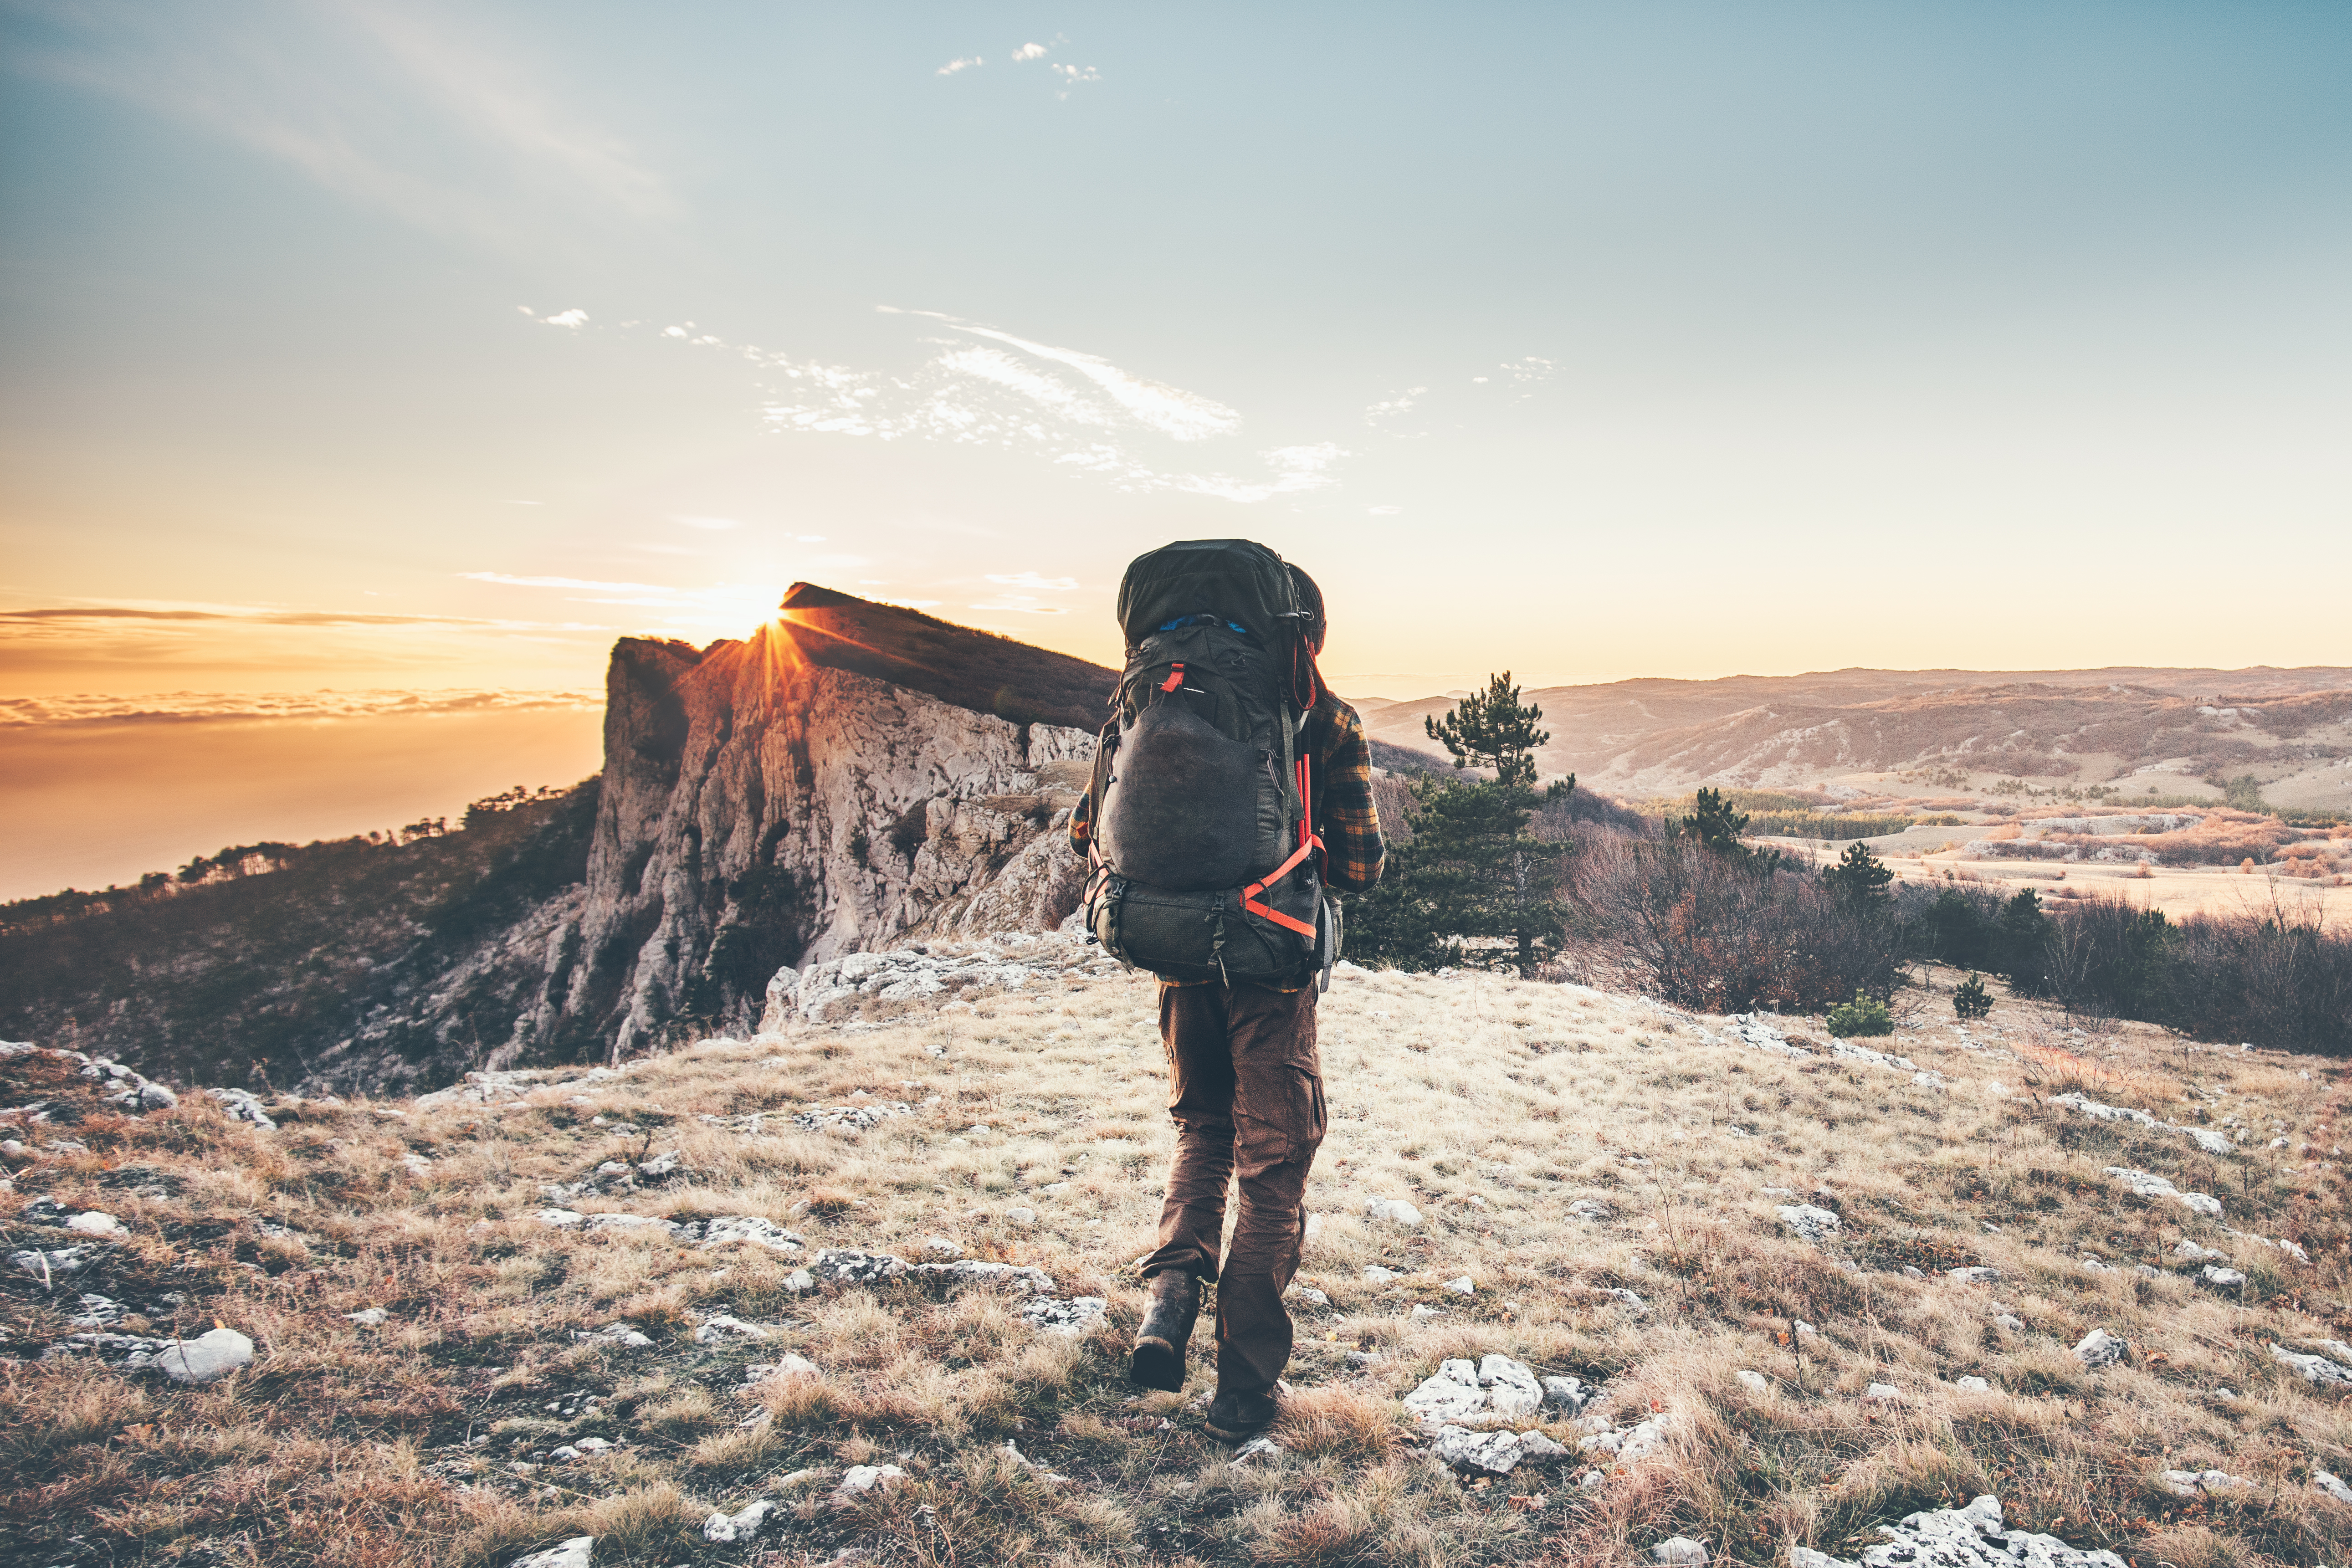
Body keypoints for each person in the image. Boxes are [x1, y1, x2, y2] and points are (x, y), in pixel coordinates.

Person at [1068, 562, 1385, 1443]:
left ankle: (1165, 1311)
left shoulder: (1142, 700)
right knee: (1274, 1171)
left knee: (1202, 1130)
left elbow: (1086, 827)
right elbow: (1360, 869)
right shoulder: (1325, 718)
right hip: (1270, 966)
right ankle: (1243, 1390)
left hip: (1177, 959)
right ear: (1302, 636)